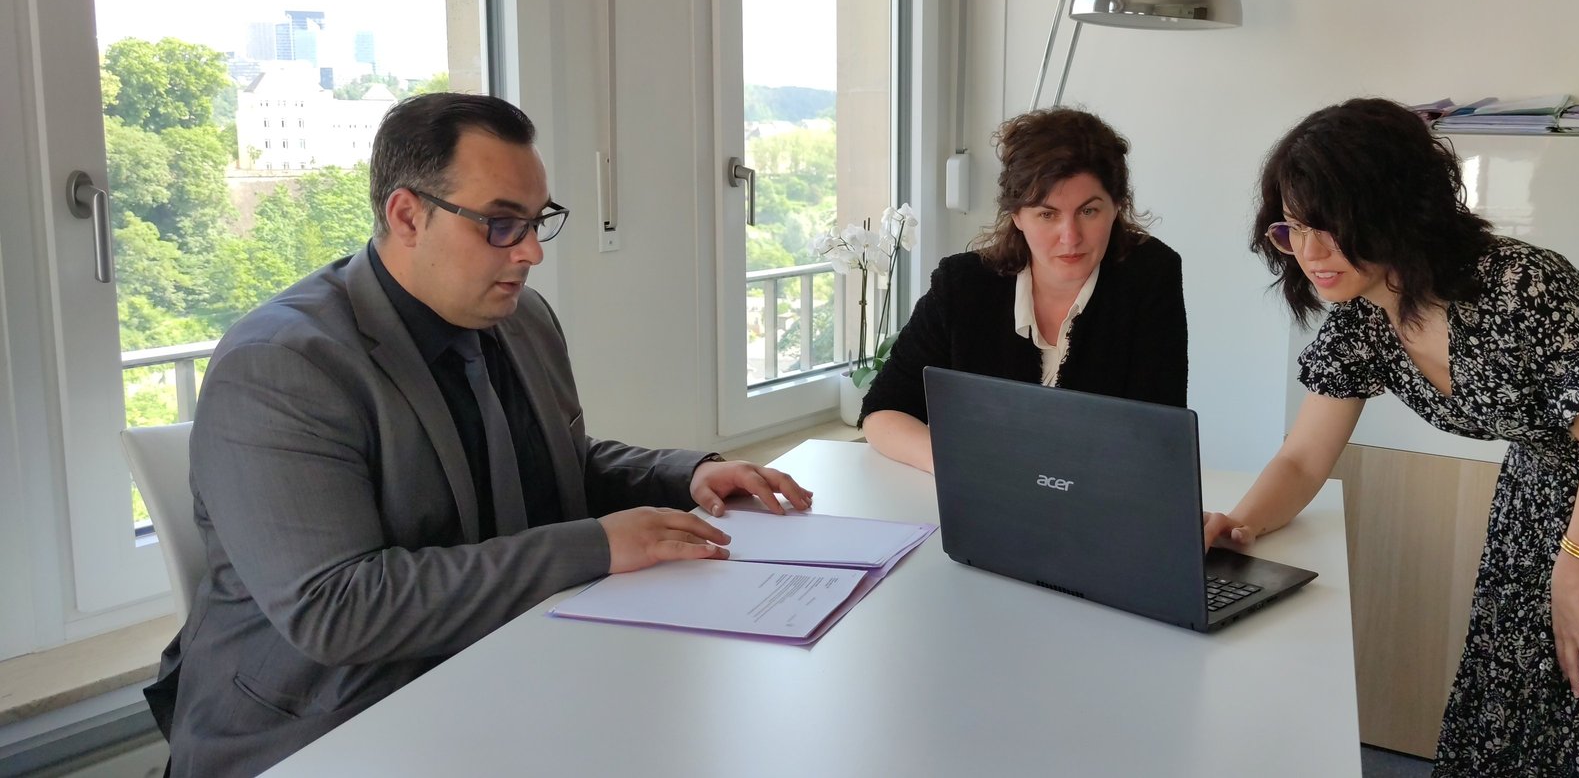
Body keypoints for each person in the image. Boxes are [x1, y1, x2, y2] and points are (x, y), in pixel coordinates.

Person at [146, 93, 812, 778]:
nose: (529, 253)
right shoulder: (284, 363)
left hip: (502, 667)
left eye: (537, 221)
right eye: (499, 223)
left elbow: (559, 468)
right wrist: (596, 544)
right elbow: (336, 609)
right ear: (407, 215)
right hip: (328, 723)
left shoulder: (522, 320)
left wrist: (686, 475)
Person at [1207, 98, 1579, 776]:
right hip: (1547, 486)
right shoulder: (1361, 316)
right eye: (1292, 230)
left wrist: (1573, 576)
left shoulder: (1520, 286)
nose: (1311, 254)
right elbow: (1302, 456)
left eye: (1330, 228)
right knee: (1513, 687)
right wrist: (1239, 524)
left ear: (1394, 212)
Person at [860, 107, 1187, 473]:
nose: (1070, 237)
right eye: (1047, 214)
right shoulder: (963, 284)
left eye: (1089, 211)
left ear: (1116, 207)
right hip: (987, 500)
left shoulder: (1148, 275)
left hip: (1104, 496)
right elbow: (883, 411)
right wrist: (961, 464)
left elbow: (1159, 431)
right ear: (1016, 216)